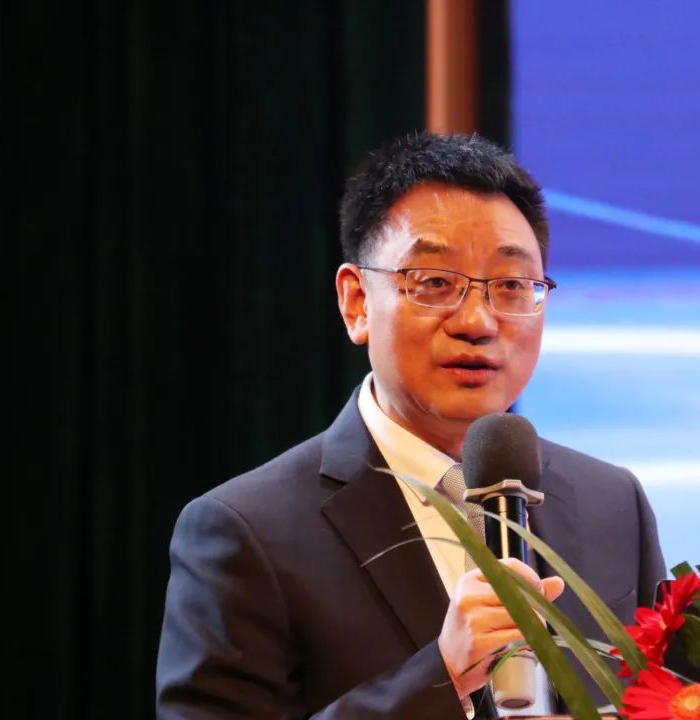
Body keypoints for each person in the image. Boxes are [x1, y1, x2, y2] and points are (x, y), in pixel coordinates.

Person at [155, 133, 666, 719]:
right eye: (434, 282)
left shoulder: (612, 503)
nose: (477, 322)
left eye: (511, 286)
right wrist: (442, 674)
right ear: (356, 302)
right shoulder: (246, 532)